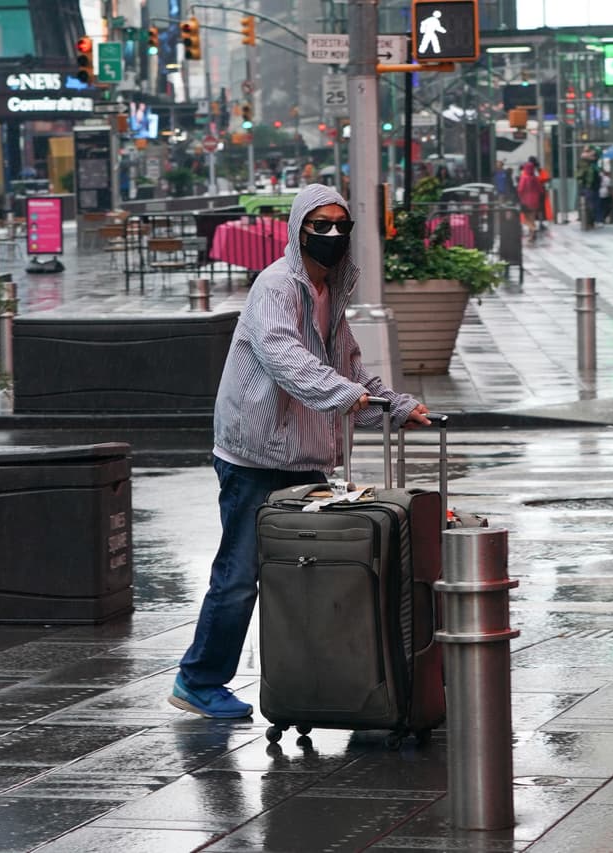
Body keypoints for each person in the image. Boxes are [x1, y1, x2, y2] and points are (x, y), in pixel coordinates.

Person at [169, 184, 431, 719]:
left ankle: (329, 681)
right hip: (255, 455)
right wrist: (347, 394)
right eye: (320, 225)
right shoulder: (277, 286)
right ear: (297, 229)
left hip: (306, 456)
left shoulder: (331, 292)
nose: (332, 235)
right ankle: (198, 679)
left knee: (302, 573)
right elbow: (285, 357)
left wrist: (393, 405)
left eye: (341, 225)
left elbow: (349, 368)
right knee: (241, 576)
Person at [517, 158, 543, 242]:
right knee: (532, 218)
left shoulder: (524, 177)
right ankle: (532, 236)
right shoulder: (535, 178)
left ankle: (533, 229)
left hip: (526, 201)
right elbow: (540, 190)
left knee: (525, 219)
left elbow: (520, 189)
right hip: (535, 201)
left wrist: (519, 197)